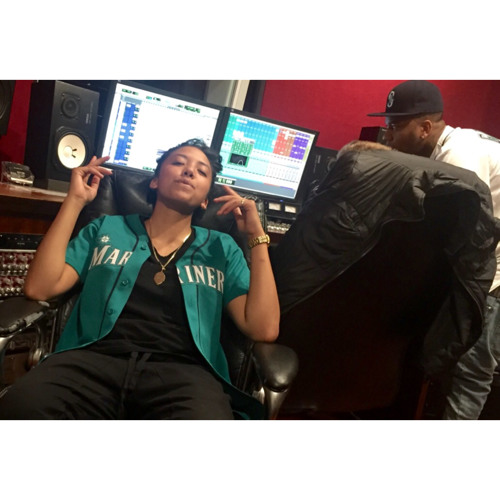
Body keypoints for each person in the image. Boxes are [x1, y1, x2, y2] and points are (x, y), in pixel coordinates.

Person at [0, 138, 279, 419]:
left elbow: (263, 329)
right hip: (90, 362)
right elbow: (40, 288)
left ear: (206, 199)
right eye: (178, 163)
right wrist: (75, 201)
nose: (189, 171)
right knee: (22, 409)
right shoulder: (106, 228)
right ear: (155, 181)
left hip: (185, 374)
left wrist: (257, 238)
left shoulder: (221, 248)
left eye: (202, 171)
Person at [368, 80, 500, 419]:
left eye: (395, 127)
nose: (388, 136)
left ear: (425, 128)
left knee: (470, 373)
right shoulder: (449, 148)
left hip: (493, 277)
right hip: (481, 259)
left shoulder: (459, 157)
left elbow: (462, 234)